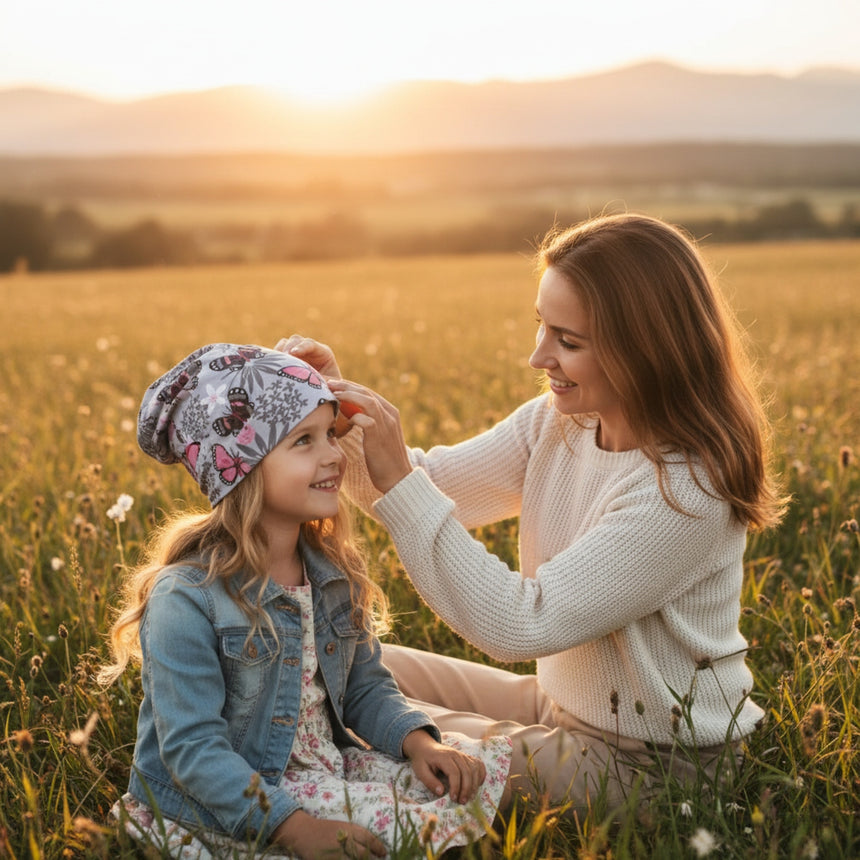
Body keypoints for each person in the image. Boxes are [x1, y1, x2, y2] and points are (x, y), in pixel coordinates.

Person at [279, 212, 786, 818]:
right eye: (542, 327)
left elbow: (521, 623)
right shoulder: (559, 422)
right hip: (562, 706)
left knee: (332, 714)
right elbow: (436, 488)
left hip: (653, 767)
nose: (537, 356)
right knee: (327, 661)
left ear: (644, 349)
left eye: (567, 342)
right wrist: (341, 411)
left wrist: (397, 476)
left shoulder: (686, 490)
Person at [97, 343, 511, 860]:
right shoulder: (186, 597)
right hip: (232, 797)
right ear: (240, 468)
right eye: (304, 441)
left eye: (331, 436)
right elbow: (192, 750)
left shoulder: (328, 572)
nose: (335, 455)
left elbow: (364, 686)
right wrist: (295, 830)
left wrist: (419, 744)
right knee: (411, 833)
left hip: (325, 764)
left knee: (460, 780)